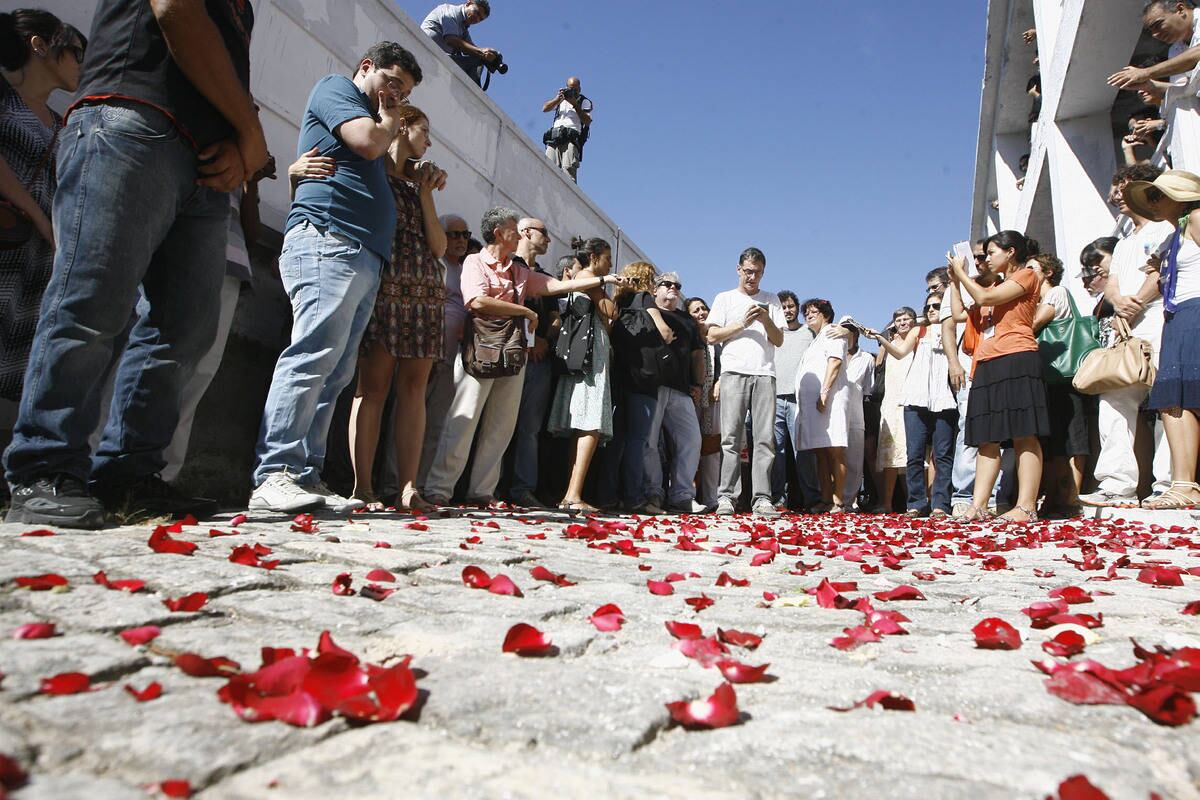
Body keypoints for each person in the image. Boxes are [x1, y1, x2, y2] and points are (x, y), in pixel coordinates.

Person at [3, 0, 268, 528]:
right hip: (129, 118)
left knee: (184, 329)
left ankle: (129, 472)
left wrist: (242, 144)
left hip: (204, 163)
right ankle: (44, 464)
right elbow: (175, 11)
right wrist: (250, 132)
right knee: (91, 302)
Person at [250, 42, 425, 514]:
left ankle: (304, 473)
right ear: (366, 68)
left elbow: (381, 160)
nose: (396, 95)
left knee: (336, 370)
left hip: (362, 252)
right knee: (313, 354)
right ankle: (276, 471)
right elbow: (368, 143)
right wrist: (390, 118)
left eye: (404, 91)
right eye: (392, 82)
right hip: (331, 237)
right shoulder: (337, 89)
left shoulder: (373, 114)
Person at [422, 208, 628, 507]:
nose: (518, 234)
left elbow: (557, 286)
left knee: (501, 426)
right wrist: (524, 311)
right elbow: (476, 300)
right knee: (463, 420)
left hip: (511, 352)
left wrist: (601, 279)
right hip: (481, 350)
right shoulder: (474, 261)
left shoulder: (518, 271)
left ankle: (482, 491)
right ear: (497, 232)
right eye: (512, 229)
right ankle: (439, 489)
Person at [347, 105, 446, 513]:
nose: (429, 141)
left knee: (414, 392)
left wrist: (423, 193)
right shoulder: (372, 168)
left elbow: (439, 247)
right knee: (372, 389)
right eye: (426, 130)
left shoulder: (418, 182)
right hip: (384, 285)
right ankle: (363, 487)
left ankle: (408, 486)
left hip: (424, 292)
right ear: (404, 125)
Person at [161, 156, 276, 484]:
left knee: (202, 371)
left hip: (230, 264)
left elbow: (251, 232)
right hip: (187, 254)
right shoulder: (202, 145)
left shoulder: (238, 173)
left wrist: (251, 181)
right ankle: (124, 465)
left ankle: (166, 475)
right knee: (166, 363)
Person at [0, 10, 85, 404]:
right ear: (40, 45)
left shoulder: (61, 124)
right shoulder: (4, 96)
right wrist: (39, 218)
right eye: (75, 53)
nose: (82, 66)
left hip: (32, 260)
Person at [1080, 165, 1174, 508]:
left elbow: (1164, 272)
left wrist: (1137, 304)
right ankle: (1117, 485)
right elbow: (1114, 284)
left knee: (1168, 403)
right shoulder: (1123, 244)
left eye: (1124, 186)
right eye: (1116, 187)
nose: (1117, 194)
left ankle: (1167, 483)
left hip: (1161, 321)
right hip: (1127, 329)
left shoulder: (1166, 227)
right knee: (1114, 400)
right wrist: (1121, 307)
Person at [947, 230, 1050, 523]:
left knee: (1023, 433)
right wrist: (956, 282)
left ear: (1011, 252)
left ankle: (1026, 506)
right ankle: (978, 505)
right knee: (986, 439)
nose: (986, 259)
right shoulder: (997, 286)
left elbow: (983, 295)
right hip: (987, 361)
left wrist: (963, 276)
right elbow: (958, 314)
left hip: (1017, 357)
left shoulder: (1027, 276)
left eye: (991, 253)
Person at [1122, 170, 1200, 509]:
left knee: (1190, 393)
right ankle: (1184, 485)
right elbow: (1157, 283)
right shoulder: (1172, 236)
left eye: (1158, 196)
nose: (1153, 203)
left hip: (1197, 308)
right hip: (1176, 316)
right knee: (1172, 399)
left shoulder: (1197, 218)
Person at [706, 248, 787, 516]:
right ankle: (727, 496)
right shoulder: (724, 298)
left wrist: (765, 320)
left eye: (758, 273)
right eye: (749, 271)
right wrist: (742, 323)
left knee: (764, 439)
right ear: (739, 269)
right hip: (733, 372)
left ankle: (762, 498)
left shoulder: (772, 300)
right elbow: (712, 335)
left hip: (764, 373)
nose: (753, 277)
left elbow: (779, 339)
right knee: (730, 438)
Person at [866, 291, 958, 517]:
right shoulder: (919, 331)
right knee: (914, 454)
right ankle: (916, 504)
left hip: (943, 397)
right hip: (915, 398)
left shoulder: (953, 328)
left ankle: (940, 504)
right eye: (928, 308)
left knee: (943, 454)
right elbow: (899, 353)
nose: (932, 310)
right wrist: (881, 338)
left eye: (937, 306)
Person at [546, 237, 617, 512]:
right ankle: (574, 494)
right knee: (590, 421)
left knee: (581, 422)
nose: (610, 263)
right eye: (607, 257)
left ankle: (570, 492)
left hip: (579, 355)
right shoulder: (591, 280)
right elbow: (611, 313)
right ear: (595, 257)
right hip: (592, 356)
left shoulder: (578, 278)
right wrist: (609, 289)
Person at [602, 260, 667, 513]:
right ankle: (633, 497)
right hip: (644, 378)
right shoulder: (645, 300)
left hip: (620, 377)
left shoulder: (618, 303)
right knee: (638, 440)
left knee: (616, 440)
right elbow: (663, 330)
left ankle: (607, 495)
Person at [1030, 253, 1090, 517]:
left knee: (1072, 434)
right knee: (1055, 437)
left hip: (1066, 376)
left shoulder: (1057, 293)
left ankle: (1072, 494)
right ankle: (1056, 493)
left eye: (1032, 268)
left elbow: (1034, 324)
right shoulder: (1041, 298)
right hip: (1050, 376)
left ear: (1048, 272)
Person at [1108, 1, 1200, 173]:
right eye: (1152, 31)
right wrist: (1151, 85)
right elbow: (1185, 90)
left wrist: (1146, 73)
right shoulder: (1175, 50)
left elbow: (1197, 54)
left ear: (1180, 10)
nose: (1156, 35)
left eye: (1158, 25)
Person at [641, 272, 707, 513]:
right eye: (667, 284)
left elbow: (697, 354)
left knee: (691, 440)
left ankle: (681, 494)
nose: (673, 288)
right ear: (655, 290)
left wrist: (698, 385)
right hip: (652, 385)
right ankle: (653, 492)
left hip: (681, 389)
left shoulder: (687, 320)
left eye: (677, 285)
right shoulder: (645, 309)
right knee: (649, 441)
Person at [505, 218, 557, 508]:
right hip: (505, 354)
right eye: (544, 233)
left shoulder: (546, 278)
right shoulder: (505, 266)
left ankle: (522, 488)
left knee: (529, 429)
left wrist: (545, 339)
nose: (548, 239)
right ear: (525, 232)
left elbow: (553, 318)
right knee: (495, 424)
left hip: (537, 363)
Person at [417, 213, 469, 493]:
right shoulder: (433, 264)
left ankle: (421, 485)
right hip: (426, 353)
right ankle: (393, 482)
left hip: (452, 359)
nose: (461, 240)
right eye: (455, 234)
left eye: (465, 234)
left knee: (435, 425)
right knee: (410, 418)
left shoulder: (465, 269)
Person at [794, 298, 850, 513]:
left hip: (830, 400)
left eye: (813, 312)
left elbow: (834, 362)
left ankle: (838, 500)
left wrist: (824, 391)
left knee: (834, 449)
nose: (808, 315)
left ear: (826, 314)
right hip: (813, 405)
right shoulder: (815, 339)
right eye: (806, 312)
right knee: (820, 452)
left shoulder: (833, 332)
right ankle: (825, 499)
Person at [771, 290, 820, 510]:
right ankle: (778, 498)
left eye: (790, 306)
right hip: (774, 398)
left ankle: (812, 498)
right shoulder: (772, 333)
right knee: (776, 453)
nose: (787, 310)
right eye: (783, 307)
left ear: (796, 308)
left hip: (799, 400)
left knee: (804, 452)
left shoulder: (808, 332)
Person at [874, 306, 915, 512]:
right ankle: (887, 503)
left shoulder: (917, 341)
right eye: (898, 320)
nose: (902, 323)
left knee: (915, 455)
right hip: (890, 402)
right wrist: (885, 339)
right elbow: (879, 365)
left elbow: (901, 354)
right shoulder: (889, 343)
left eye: (907, 319)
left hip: (910, 399)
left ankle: (916, 503)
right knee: (889, 456)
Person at [687, 296, 721, 509]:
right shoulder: (688, 336)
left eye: (703, 309)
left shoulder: (718, 338)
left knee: (711, 450)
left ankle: (711, 499)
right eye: (695, 311)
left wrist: (718, 382)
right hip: (690, 400)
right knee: (689, 447)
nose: (701, 313)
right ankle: (687, 495)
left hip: (712, 401)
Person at [420, 1, 500, 88]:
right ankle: (469, 93)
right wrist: (482, 52)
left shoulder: (463, 28)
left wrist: (490, 58)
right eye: (476, 13)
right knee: (476, 60)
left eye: (480, 19)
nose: (477, 19)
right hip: (426, 49)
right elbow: (451, 40)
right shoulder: (450, 12)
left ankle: (469, 91)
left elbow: (471, 49)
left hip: (437, 56)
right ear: (468, 3)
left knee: (477, 58)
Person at [841, 321, 875, 509]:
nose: (847, 336)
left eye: (851, 332)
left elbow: (868, 390)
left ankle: (849, 500)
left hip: (856, 412)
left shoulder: (867, 358)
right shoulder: (830, 355)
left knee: (854, 459)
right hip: (833, 414)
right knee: (834, 457)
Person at [542, 77, 591, 182]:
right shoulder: (561, 99)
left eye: (575, 89)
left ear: (580, 89)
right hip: (554, 137)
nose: (572, 92)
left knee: (568, 171)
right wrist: (557, 99)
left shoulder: (583, 101)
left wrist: (575, 104)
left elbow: (587, 121)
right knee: (547, 168)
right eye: (570, 89)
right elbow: (545, 108)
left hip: (571, 138)